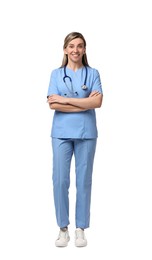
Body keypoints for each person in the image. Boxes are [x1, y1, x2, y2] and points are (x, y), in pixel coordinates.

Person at [47, 32, 103, 247]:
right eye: (71, 46)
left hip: (86, 133)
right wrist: (82, 102)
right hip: (60, 133)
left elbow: (97, 103)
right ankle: (63, 228)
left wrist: (65, 100)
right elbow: (53, 105)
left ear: (84, 49)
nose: (75, 50)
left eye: (80, 46)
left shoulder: (93, 73)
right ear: (65, 49)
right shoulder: (56, 74)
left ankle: (80, 228)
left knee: (83, 181)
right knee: (60, 180)